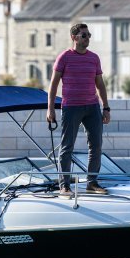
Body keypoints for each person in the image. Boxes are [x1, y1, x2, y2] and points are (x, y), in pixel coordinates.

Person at [47, 23, 111, 196]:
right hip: (70, 107)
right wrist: (50, 109)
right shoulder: (64, 57)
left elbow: (100, 84)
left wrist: (106, 107)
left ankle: (92, 183)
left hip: (92, 107)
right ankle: (64, 185)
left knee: (96, 146)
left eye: (89, 35)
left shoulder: (94, 58)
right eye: (84, 35)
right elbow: (53, 85)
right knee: (67, 147)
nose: (87, 38)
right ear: (74, 37)